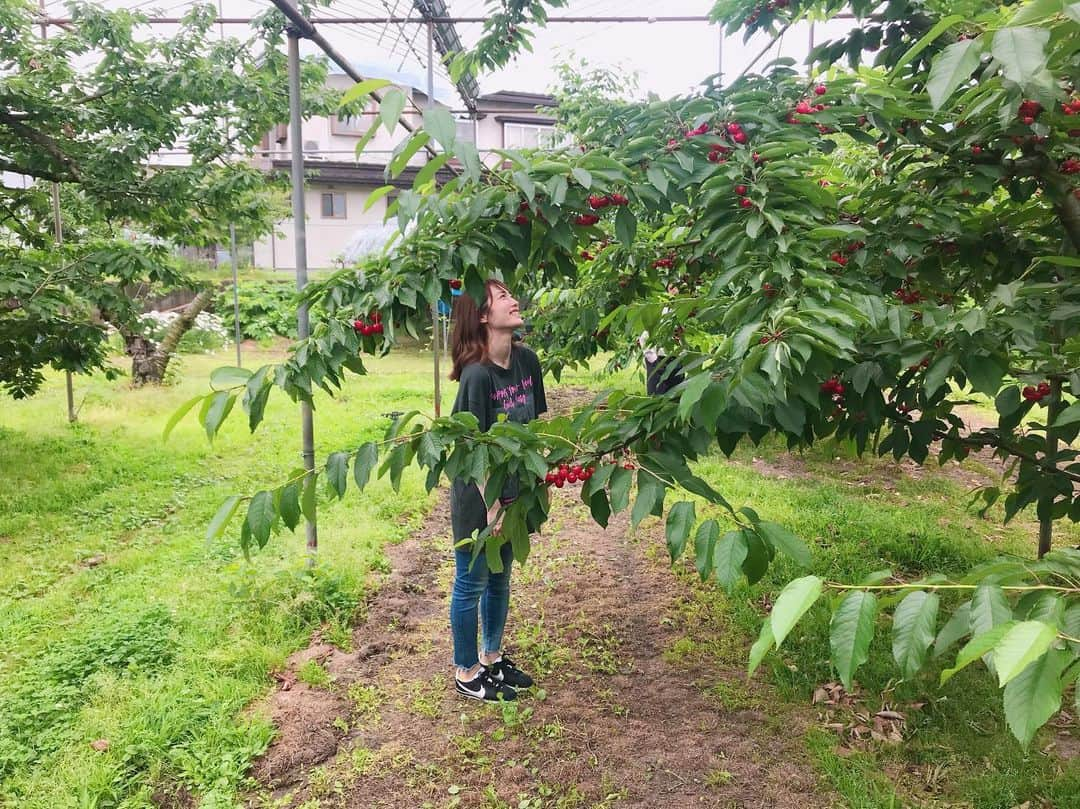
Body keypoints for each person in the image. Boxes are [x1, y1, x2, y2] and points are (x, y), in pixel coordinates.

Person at [448, 279, 547, 702]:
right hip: (480, 498)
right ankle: (467, 671)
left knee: (501, 579)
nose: (514, 300)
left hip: (516, 494)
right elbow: (472, 451)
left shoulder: (527, 361)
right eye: (503, 296)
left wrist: (540, 480)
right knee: (471, 582)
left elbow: (538, 425)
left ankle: (492, 658)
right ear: (484, 316)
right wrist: (493, 510)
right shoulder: (476, 376)